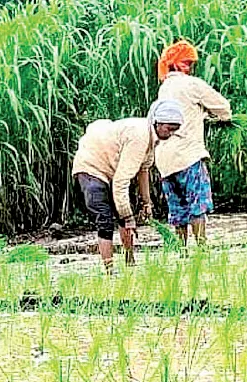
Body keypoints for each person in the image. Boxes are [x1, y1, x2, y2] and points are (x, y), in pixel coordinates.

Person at [72, 100, 185, 270]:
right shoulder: (139, 136)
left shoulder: (151, 139)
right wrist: (128, 218)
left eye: (174, 130)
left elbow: (143, 171)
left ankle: (130, 262)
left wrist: (147, 203)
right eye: (169, 129)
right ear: (158, 122)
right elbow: (120, 183)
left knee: (124, 210)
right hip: (91, 167)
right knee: (105, 219)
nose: (170, 134)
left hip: (112, 170)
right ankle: (110, 272)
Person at [156, 39, 232, 246]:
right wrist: (210, 115)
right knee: (197, 204)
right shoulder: (192, 84)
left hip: (164, 161)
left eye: (190, 63)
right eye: (186, 62)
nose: (189, 67)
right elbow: (224, 109)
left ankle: (182, 253)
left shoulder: (164, 89)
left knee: (178, 209)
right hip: (188, 156)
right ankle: (201, 250)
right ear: (174, 63)